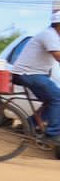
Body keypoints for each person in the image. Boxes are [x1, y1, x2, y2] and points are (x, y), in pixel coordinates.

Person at [10, 8, 60, 154]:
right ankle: (53, 134)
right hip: (28, 73)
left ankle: (28, 125)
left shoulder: (55, 36)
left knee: (51, 100)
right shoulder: (49, 35)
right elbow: (58, 56)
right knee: (58, 98)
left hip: (35, 73)